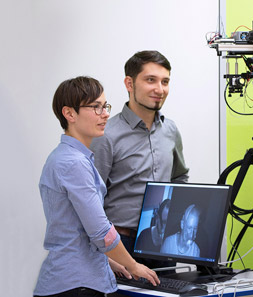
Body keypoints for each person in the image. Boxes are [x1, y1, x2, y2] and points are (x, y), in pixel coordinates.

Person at [34, 76, 159, 297]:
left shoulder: (66, 157)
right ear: (69, 114)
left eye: (105, 106)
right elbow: (101, 231)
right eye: (96, 107)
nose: (105, 114)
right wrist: (133, 265)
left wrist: (109, 261)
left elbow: (74, 229)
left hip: (73, 281)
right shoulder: (74, 163)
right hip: (76, 286)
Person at [90, 50, 189, 268]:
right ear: (129, 83)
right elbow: (91, 196)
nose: (159, 89)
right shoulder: (106, 134)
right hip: (120, 243)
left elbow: (180, 177)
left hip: (161, 242)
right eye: (150, 80)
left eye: (165, 82)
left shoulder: (170, 130)